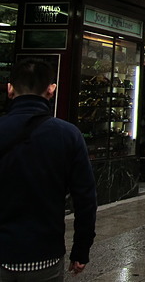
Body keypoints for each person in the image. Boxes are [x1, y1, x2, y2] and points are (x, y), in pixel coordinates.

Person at [0, 58, 97, 280]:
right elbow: (85, 199)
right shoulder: (68, 135)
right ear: (51, 90)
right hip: (44, 255)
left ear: (10, 89)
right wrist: (81, 249)